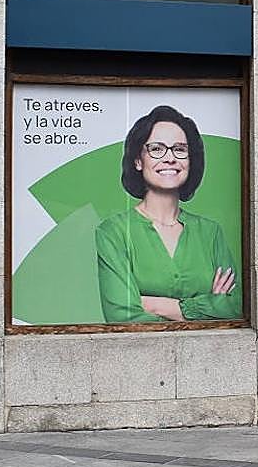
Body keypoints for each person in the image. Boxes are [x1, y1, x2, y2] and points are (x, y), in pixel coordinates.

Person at [95, 105, 241, 322]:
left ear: (190, 160)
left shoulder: (210, 232)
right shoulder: (113, 232)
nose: (170, 158)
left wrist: (155, 305)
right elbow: (122, 317)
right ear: (138, 161)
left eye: (180, 149)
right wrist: (209, 308)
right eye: (156, 149)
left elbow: (236, 307)